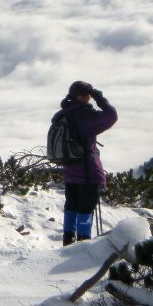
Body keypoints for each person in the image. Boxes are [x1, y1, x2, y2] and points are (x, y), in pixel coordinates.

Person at [52, 81, 118, 246]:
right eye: (88, 95)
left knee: (71, 207)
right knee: (85, 210)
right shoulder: (85, 116)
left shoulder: (63, 114)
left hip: (69, 170)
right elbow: (111, 116)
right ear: (84, 96)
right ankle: (83, 243)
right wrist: (100, 98)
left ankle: (68, 240)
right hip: (87, 172)